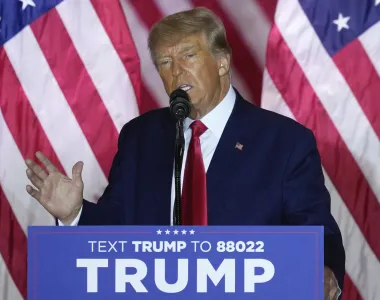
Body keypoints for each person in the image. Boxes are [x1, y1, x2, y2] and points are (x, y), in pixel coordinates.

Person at [24, 7, 345, 299]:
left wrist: (323, 270)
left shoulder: (285, 141)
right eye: (165, 62)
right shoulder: (140, 138)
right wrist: (74, 213)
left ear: (222, 61)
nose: (176, 71)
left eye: (188, 56)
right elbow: (116, 231)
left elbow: (316, 230)